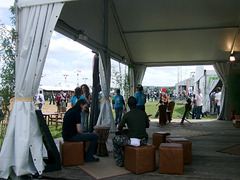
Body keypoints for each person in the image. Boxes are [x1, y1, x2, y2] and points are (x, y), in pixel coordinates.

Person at [112, 96, 149, 167]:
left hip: (133, 140)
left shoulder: (126, 115)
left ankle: (120, 160)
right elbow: (147, 126)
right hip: (144, 140)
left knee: (115, 139)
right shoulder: (143, 113)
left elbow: (119, 128)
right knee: (145, 133)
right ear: (136, 103)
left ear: (128, 105)